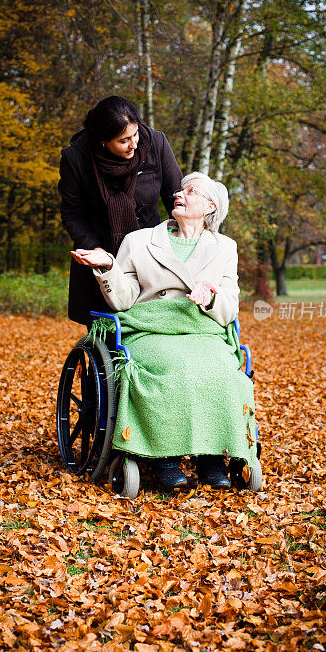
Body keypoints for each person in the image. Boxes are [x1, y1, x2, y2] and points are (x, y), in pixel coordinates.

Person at [71, 172, 258, 490]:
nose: (179, 194)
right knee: (172, 369)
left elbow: (230, 304)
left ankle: (213, 457)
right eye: (180, 189)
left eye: (191, 191)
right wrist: (108, 266)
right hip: (149, 329)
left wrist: (211, 295)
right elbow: (125, 298)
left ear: (210, 207)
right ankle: (164, 458)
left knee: (225, 374)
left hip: (201, 330)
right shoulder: (140, 240)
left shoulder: (225, 248)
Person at [59, 96, 183, 326]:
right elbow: (73, 213)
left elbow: (176, 198)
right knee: (108, 334)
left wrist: (184, 241)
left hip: (150, 257)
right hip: (101, 257)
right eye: (124, 140)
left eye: (135, 134)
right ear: (103, 141)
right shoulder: (76, 158)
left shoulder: (156, 143)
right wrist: (95, 251)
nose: (134, 144)